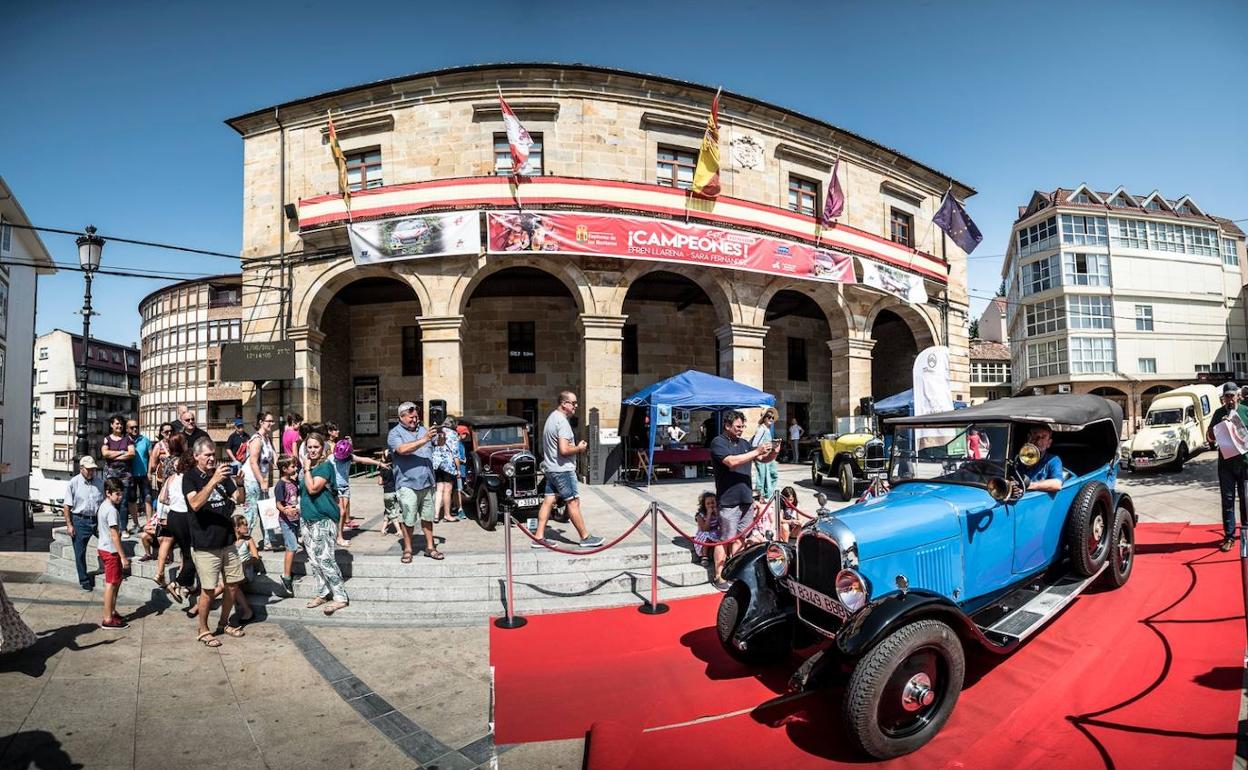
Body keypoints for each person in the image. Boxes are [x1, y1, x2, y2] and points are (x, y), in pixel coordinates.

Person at [183, 436, 247, 647]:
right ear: (196, 456)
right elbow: (194, 503)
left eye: (213, 454)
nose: (212, 459)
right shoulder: (190, 477)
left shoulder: (222, 474)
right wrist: (213, 481)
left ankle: (224, 623)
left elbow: (239, 499)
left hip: (227, 541)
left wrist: (240, 484)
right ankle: (203, 629)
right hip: (205, 543)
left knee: (232, 585)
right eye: (207, 455)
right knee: (208, 590)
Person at [710, 409, 779, 582]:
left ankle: (734, 571)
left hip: (746, 499)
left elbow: (762, 459)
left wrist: (774, 452)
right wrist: (757, 451)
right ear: (727, 425)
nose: (741, 429)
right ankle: (719, 575)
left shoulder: (744, 443)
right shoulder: (718, 442)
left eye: (743, 426)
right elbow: (731, 462)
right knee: (724, 539)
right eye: (738, 426)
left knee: (741, 537)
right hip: (728, 500)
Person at [530, 391, 603, 548]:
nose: (576, 406)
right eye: (574, 403)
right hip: (562, 470)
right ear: (564, 403)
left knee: (548, 501)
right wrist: (579, 448)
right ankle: (585, 537)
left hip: (551, 468)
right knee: (573, 502)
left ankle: (539, 536)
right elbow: (563, 450)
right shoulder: (562, 422)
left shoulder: (551, 418)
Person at [300, 432, 350, 614]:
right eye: (309, 447)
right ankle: (323, 591)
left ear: (323, 448)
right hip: (307, 518)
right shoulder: (308, 467)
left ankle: (340, 596)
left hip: (323, 519)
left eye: (316, 447)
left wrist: (306, 469)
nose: (312, 450)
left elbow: (313, 488)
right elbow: (304, 492)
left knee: (325, 559)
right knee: (314, 560)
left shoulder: (325, 467)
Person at [388, 403, 441, 561]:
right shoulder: (394, 433)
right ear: (401, 417)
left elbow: (439, 442)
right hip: (407, 483)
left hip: (427, 481)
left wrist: (443, 433)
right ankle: (408, 549)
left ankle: (430, 547)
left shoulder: (424, 429)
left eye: (416, 416)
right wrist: (424, 439)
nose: (415, 419)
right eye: (411, 417)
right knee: (409, 519)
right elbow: (402, 450)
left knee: (428, 517)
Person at [156, 433, 197, 607]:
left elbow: (163, 498)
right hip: (183, 517)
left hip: (172, 516)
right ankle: (177, 583)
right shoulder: (190, 478)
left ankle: (186, 584)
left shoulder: (173, 476)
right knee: (192, 555)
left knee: (186, 552)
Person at [327, 431, 388, 547]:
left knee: (342, 512)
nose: (341, 460)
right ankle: (339, 537)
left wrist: (379, 463)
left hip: (345, 487)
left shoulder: (349, 457)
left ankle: (337, 534)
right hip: (335, 488)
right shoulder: (331, 458)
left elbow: (363, 459)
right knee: (341, 512)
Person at [1208, 382, 1244, 551]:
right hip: (1226, 465)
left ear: (1238, 396)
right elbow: (1209, 437)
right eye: (1227, 396)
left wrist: (1235, 424)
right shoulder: (1218, 413)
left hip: (1245, 465)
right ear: (1223, 398)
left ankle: (1245, 534)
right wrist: (1219, 427)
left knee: (1246, 501)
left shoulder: (1245, 411)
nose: (1230, 399)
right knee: (1228, 501)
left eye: (1232, 395)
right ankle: (1229, 537)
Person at [62, 456, 105, 591]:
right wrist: (69, 525)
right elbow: (67, 506)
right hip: (80, 520)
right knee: (80, 552)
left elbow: (104, 502)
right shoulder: (73, 483)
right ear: (81, 469)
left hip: (97, 519)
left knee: (109, 543)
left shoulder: (100, 482)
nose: (92, 472)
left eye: (93, 469)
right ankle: (84, 580)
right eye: (89, 469)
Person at [96, 479, 131, 629]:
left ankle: (112, 611)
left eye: (121, 493)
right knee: (111, 584)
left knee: (116, 582)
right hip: (110, 551)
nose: (120, 497)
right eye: (117, 494)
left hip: (104, 548)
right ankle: (107, 618)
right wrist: (123, 557)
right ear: (108, 493)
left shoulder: (104, 506)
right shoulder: (111, 511)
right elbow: (115, 535)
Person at [241, 412, 278, 550]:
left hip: (261, 479)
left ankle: (268, 541)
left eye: (272, 421)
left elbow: (274, 457)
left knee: (266, 510)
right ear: (261, 422)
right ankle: (243, 544)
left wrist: (284, 467)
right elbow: (253, 462)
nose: (271, 424)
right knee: (252, 513)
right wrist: (262, 481)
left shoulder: (267, 438)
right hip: (252, 479)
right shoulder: (256, 439)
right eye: (269, 421)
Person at [100, 415, 136, 532]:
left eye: (121, 424)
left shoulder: (128, 439)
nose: (119, 426)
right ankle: (110, 527)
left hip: (125, 475)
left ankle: (123, 528)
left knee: (123, 502)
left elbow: (131, 453)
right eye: (117, 423)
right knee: (110, 501)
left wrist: (114, 455)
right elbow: (105, 454)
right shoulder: (107, 439)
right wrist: (121, 452)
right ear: (111, 425)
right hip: (111, 475)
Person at [272, 455, 301, 595]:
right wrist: (285, 510)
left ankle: (289, 570)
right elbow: (278, 503)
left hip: (295, 519)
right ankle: (286, 576)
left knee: (293, 546)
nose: (295, 468)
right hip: (286, 520)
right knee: (292, 546)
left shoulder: (293, 482)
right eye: (292, 466)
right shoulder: (280, 485)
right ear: (284, 469)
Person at [692, 491, 727, 586]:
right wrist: (708, 515)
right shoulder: (700, 515)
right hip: (704, 533)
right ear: (704, 505)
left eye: (713, 503)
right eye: (708, 503)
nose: (711, 505)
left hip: (715, 532)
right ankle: (704, 556)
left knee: (722, 537)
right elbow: (705, 528)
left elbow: (722, 525)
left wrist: (718, 515)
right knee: (707, 536)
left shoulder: (718, 512)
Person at [432, 418, 461, 524]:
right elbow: (455, 453)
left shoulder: (438, 432)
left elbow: (433, 444)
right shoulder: (453, 434)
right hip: (448, 465)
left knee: (439, 489)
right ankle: (447, 515)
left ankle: (435, 515)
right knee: (448, 490)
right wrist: (458, 469)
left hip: (436, 464)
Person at [126, 419, 154, 531]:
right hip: (130, 475)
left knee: (148, 497)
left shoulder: (145, 440)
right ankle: (136, 523)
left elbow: (151, 456)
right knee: (132, 499)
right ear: (127, 429)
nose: (135, 429)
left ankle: (149, 523)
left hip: (144, 474)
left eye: (136, 427)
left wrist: (150, 472)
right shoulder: (125, 441)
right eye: (132, 427)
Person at [230, 515, 258, 623]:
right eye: (244, 525)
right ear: (237, 528)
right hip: (233, 570)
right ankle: (248, 612)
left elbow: (256, 557)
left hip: (246, 571)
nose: (247, 526)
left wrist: (246, 563)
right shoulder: (229, 541)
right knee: (227, 584)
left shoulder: (248, 539)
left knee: (228, 584)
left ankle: (200, 606)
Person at [1019, 425, 1063, 495]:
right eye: (1035, 436)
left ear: (1049, 443)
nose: (1038, 441)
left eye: (1043, 437)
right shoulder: (1019, 458)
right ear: (1028, 438)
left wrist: (1028, 485)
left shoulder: (1053, 460)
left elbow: (1057, 484)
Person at [752, 408, 781, 501]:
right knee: (762, 477)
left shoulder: (767, 429)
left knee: (772, 475)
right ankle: (762, 496)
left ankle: (767, 495)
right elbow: (754, 444)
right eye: (769, 417)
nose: (771, 419)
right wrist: (761, 451)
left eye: (772, 417)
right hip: (763, 456)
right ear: (764, 418)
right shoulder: (762, 429)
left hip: (769, 456)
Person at [377, 451, 400, 535]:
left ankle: (399, 530)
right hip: (397, 492)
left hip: (388, 492)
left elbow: (380, 482)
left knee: (391, 511)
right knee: (388, 511)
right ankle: (383, 529)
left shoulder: (383, 469)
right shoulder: (396, 467)